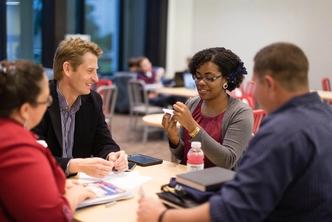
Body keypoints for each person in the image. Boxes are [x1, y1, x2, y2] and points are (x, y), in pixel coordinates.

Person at [137, 42, 332, 222]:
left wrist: (163, 216)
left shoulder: (279, 131)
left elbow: (238, 205)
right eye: (198, 76)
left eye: (255, 84)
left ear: (269, 84)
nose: (253, 93)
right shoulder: (326, 115)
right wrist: (174, 138)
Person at [0, 60, 95, 221]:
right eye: (46, 101)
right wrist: (75, 195)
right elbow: (52, 218)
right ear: (25, 110)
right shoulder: (17, 147)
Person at [33, 38, 128, 178]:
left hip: (80, 184)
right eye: (90, 71)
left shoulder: (93, 100)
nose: (96, 79)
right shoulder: (39, 100)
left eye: (96, 71)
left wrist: (112, 155)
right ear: (68, 69)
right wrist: (73, 165)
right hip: (45, 181)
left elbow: (103, 141)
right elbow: (35, 156)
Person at [162, 47, 253, 168]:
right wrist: (174, 138)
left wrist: (192, 126)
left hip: (219, 184)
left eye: (209, 78)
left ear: (226, 79)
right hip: (188, 177)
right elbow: (183, 156)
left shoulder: (241, 112)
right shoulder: (192, 104)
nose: (201, 82)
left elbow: (227, 161)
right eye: (198, 76)